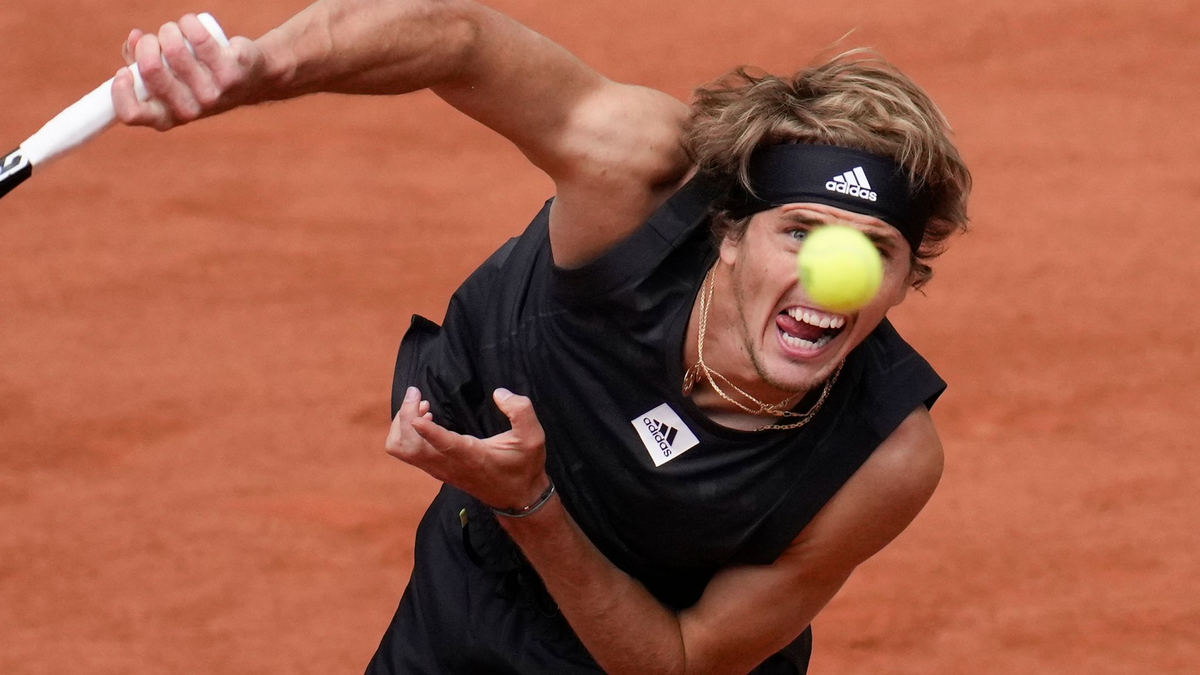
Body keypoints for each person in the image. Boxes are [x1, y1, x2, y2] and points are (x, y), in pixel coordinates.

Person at [114, 2, 971, 673]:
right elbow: (461, 40)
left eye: (876, 250)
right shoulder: (637, 181)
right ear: (730, 232)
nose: (830, 278)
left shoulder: (885, 457)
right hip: (472, 587)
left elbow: (682, 659)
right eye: (801, 232)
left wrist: (532, 504)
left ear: (907, 279)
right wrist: (263, 66)